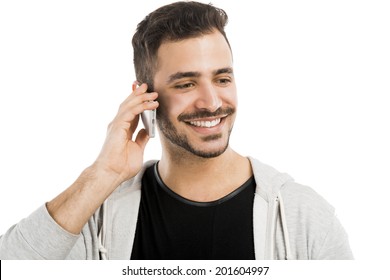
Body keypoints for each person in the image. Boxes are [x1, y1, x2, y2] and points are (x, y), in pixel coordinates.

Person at [0, 1, 352, 260]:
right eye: (186, 84)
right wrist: (102, 174)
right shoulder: (100, 215)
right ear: (145, 97)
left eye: (222, 78)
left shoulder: (302, 217)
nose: (211, 101)